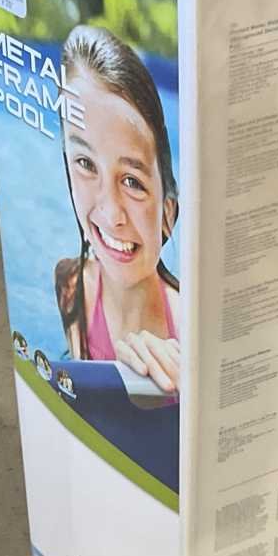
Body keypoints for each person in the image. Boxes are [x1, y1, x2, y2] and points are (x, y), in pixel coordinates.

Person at [54, 25, 181, 396]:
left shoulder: (192, 326)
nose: (111, 215)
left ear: (168, 212)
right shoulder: (72, 286)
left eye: (132, 181)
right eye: (85, 163)